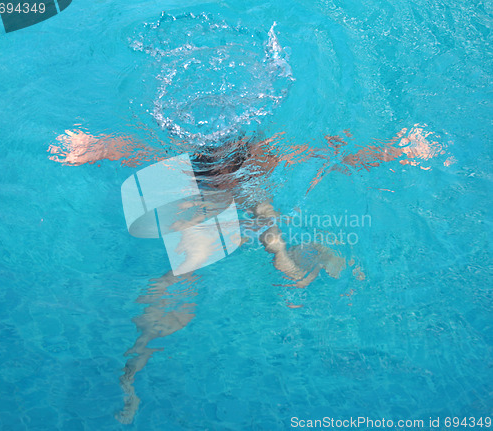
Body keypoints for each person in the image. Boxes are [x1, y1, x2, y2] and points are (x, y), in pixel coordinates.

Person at [49, 124, 442, 423]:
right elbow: (131, 149)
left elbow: (336, 153)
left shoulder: (264, 157)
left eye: (224, 171)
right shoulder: (195, 166)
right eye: (216, 171)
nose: (221, 175)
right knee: (185, 270)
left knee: (281, 254)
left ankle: (309, 254)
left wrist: (394, 150)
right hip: (211, 203)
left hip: (253, 199)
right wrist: (93, 147)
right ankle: (134, 367)